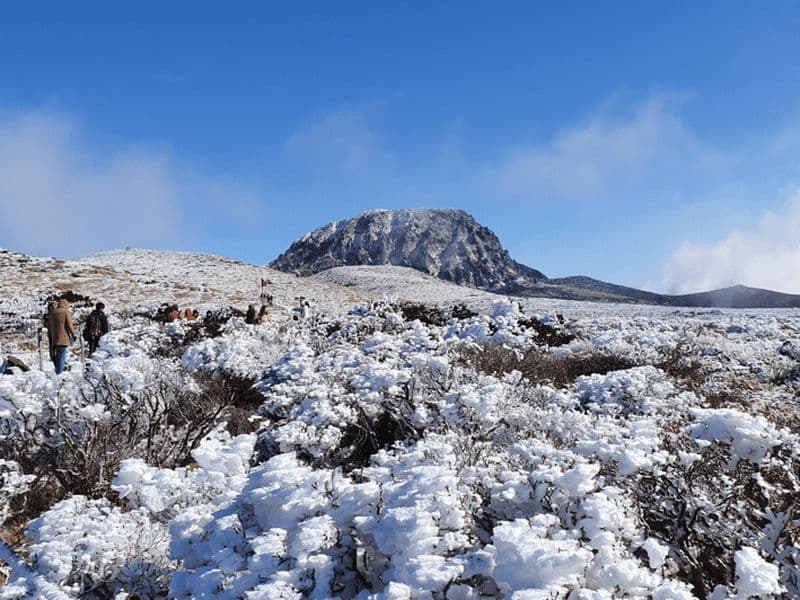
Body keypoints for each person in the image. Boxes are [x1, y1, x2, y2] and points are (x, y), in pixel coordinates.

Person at [47, 299, 76, 374]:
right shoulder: (66, 312)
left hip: (54, 339)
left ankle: (58, 371)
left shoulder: (52, 313)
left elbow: (49, 328)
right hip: (63, 338)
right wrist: (73, 334)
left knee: (57, 356)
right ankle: (60, 373)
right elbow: (69, 325)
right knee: (62, 356)